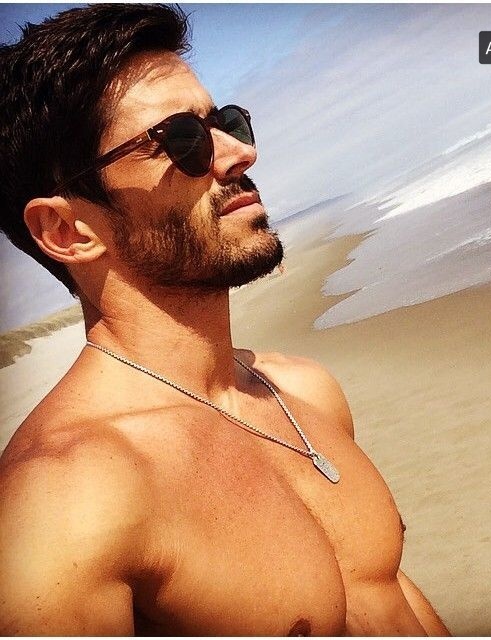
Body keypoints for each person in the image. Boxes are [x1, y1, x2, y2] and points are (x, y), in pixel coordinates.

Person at [0, 5, 450, 636]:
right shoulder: (67, 502)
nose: (242, 153)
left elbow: (390, 600)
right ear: (67, 230)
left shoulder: (301, 390)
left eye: (225, 122)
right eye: (181, 140)